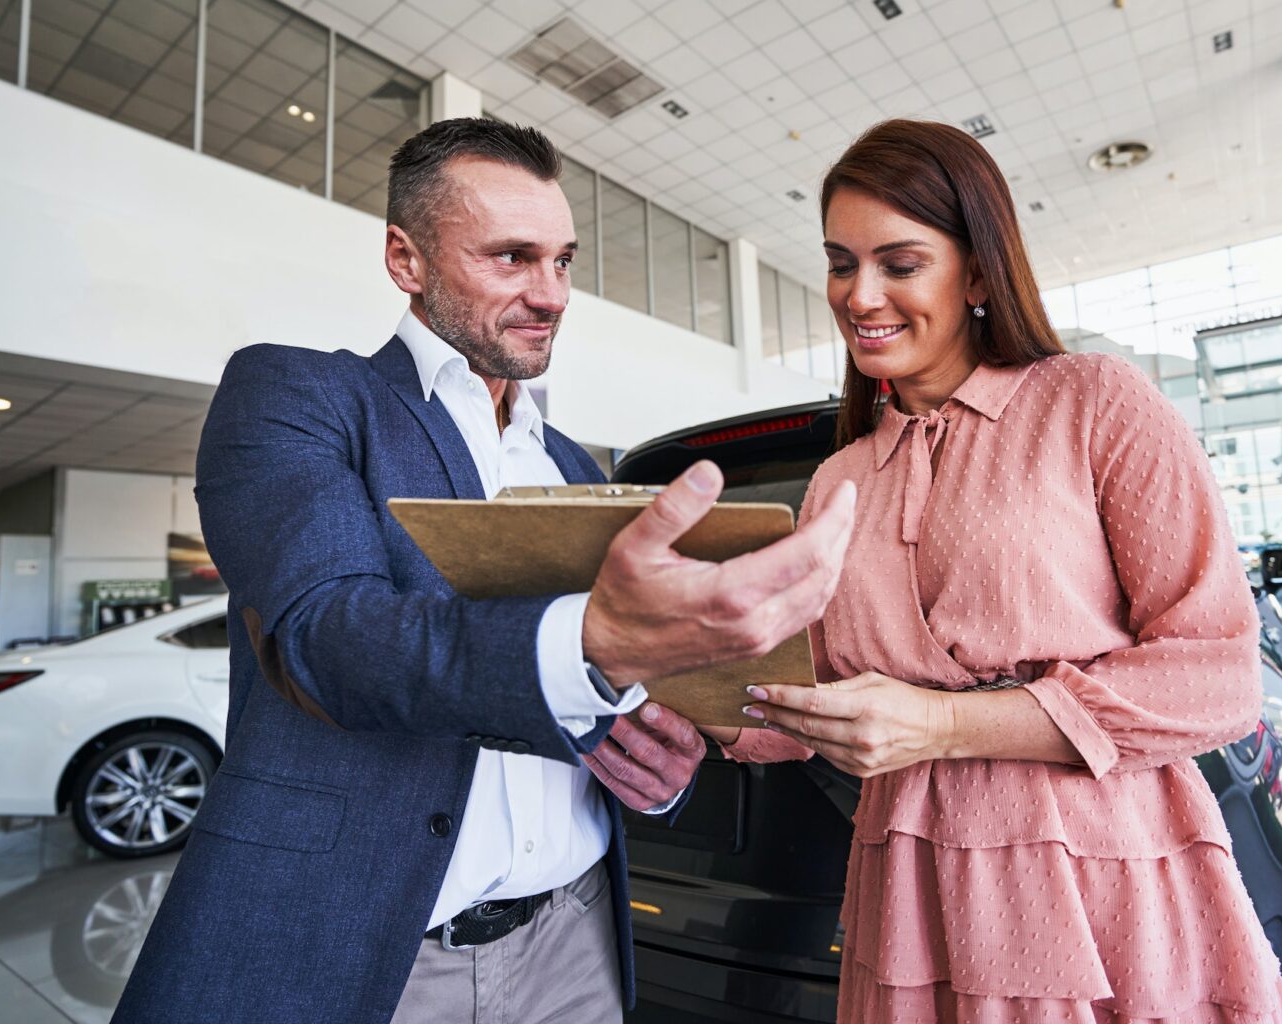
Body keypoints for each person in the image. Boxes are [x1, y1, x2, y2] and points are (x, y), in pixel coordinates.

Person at [111, 118, 856, 1024]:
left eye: (563, 261)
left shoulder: (580, 469)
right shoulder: (301, 398)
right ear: (406, 259)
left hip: (575, 932)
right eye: (512, 259)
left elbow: (602, 696)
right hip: (374, 949)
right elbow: (328, 633)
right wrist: (592, 638)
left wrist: (664, 758)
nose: (552, 295)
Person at [705, 120, 1282, 1024]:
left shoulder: (1095, 402)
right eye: (840, 262)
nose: (858, 295)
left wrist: (942, 723)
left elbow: (1215, 677)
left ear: (978, 272)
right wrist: (666, 685)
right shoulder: (839, 477)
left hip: (1097, 870)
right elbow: (812, 690)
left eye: (898, 264)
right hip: (911, 887)